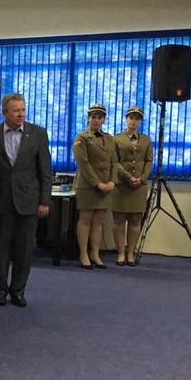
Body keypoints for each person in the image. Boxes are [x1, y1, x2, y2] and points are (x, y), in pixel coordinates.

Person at [0, 93, 52, 306]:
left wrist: (44, 201)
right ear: (5, 112)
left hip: (29, 200)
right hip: (2, 200)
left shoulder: (38, 134)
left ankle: (18, 290)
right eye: (16, 110)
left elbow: (45, 170)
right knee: (1, 249)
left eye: (23, 110)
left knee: (24, 250)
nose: (21, 114)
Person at [73, 104, 118, 270]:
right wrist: (97, 183)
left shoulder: (109, 138)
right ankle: (83, 253)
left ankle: (95, 253)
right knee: (85, 220)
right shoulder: (82, 137)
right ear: (88, 118)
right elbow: (83, 164)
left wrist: (112, 181)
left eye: (100, 117)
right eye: (93, 117)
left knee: (98, 221)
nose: (96, 120)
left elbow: (114, 161)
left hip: (106, 185)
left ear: (104, 119)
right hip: (88, 185)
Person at [112, 106, 153, 266]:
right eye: (131, 118)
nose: (133, 121)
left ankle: (130, 253)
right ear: (126, 119)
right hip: (122, 184)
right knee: (119, 220)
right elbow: (114, 161)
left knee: (136, 220)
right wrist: (128, 177)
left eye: (137, 119)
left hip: (139, 185)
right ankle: (121, 252)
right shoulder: (116, 139)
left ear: (140, 121)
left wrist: (142, 178)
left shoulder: (146, 140)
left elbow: (149, 161)